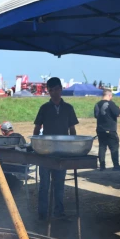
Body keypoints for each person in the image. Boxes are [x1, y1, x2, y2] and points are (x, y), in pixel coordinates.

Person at [32, 77, 79, 220]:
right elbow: (37, 128)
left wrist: (73, 147)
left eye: (56, 89)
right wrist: (35, 146)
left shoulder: (68, 108)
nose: (54, 92)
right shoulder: (44, 108)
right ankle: (42, 213)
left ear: (61, 89)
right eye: (51, 90)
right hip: (46, 152)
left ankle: (59, 212)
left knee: (59, 184)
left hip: (62, 152)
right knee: (44, 185)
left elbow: (72, 130)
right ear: (48, 91)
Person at [94, 89, 120, 171]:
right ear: (109, 95)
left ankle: (102, 166)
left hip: (100, 129)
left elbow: (96, 115)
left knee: (102, 147)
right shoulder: (110, 104)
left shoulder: (97, 104)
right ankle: (116, 165)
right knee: (114, 147)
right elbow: (118, 113)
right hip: (110, 129)